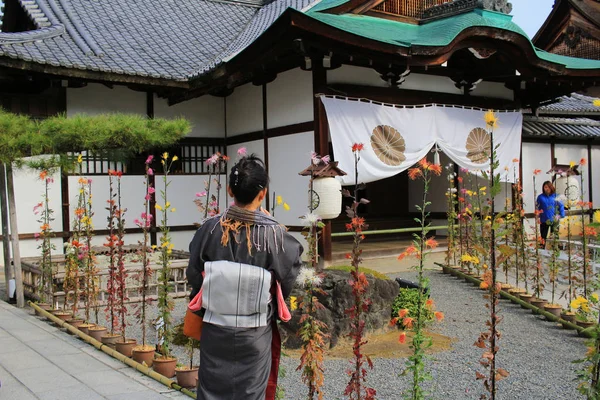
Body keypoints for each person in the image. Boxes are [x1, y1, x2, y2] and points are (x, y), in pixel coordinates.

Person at [186, 154, 303, 400]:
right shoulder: (275, 235)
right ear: (262, 193)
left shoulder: (209, 229)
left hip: (215, 327)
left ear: (230, 190)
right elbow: (288, 275)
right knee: (251, 393)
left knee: (211, 391)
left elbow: (194, 275)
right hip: (254, 331)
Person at [536, 180, 565, 248]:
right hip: (544, 220)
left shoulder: (556, 196)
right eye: (545, 187)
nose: (546, 189)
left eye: (548, 187)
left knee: (554, 236)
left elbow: (561, 207)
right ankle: (542, 250)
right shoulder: (540, 197)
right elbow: (537, 207)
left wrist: (559, 216)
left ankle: (554, 249)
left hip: (554, 220)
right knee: (543, 236)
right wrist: (537, 217)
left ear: (551, 187)